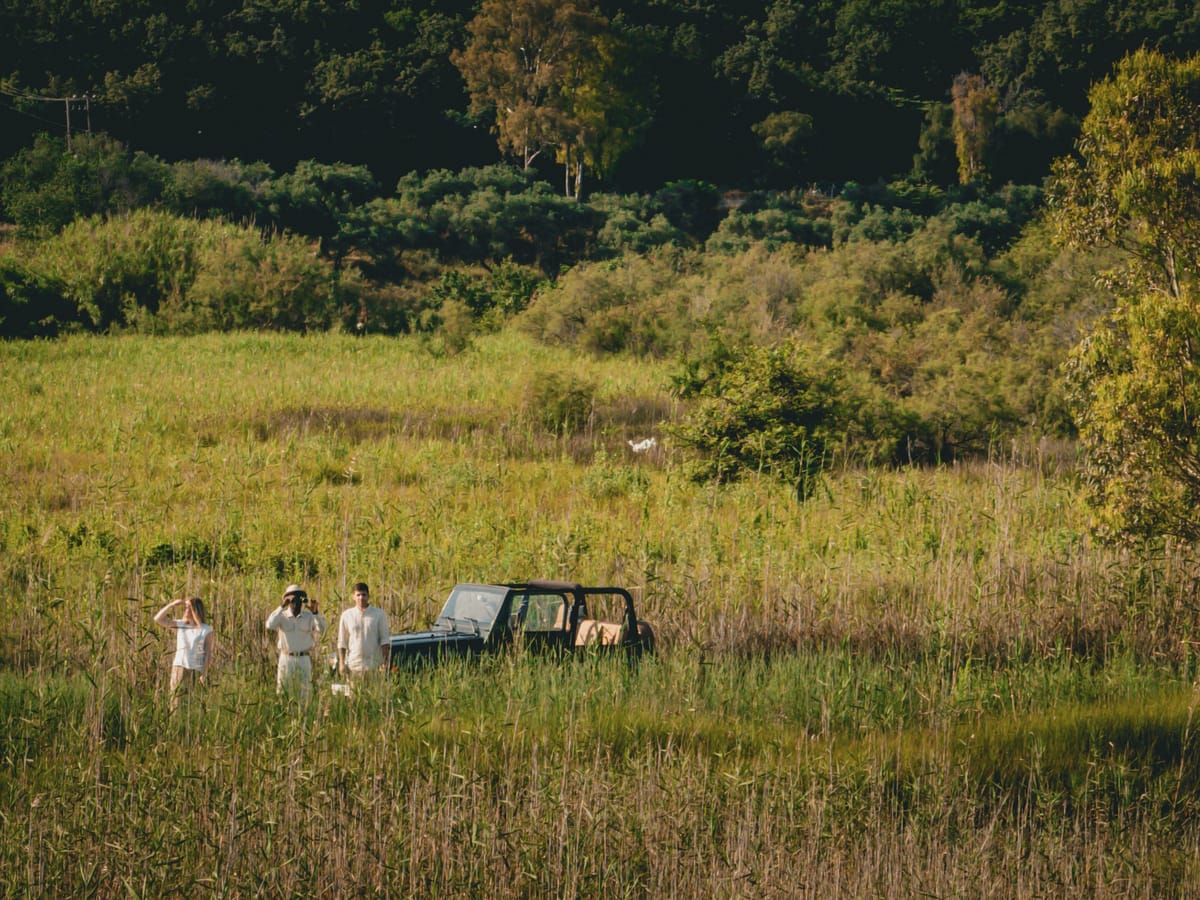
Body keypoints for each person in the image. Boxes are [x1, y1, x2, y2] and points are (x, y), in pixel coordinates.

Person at [265, 584, 326, 702]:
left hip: (304, 659)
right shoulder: (281, 616)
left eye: (299, 598)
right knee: (283, 691)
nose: (295, 602)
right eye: (292, 599)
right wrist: (281, 606)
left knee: (305, 692)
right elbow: (269, 625)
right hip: (286, 658)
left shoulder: (309, 616)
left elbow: (322, 630)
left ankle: (304, 711)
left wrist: (315, 613)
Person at [153, 596, 214, 710]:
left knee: (192, 704)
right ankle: (174, 722)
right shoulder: (181, 624)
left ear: (195, 610)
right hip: (179, 668)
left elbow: (208, 653)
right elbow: (158, 619)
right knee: (175, 703)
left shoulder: (206, 629)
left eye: (187, 607)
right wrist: (171, 605)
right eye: (184, 607)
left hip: (196, 670)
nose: (184, 610)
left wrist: (204, 674)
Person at [337, 581, 391, 677]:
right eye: (358, 595)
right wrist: (341, 663)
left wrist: (385, 662)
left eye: (364, 595)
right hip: (353, 666)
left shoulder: (379, 614)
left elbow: (385, 640)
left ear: (368, 596)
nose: (361, 598)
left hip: (373, 666)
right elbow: (342, 642)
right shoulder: (347, 615)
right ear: (353, 597)